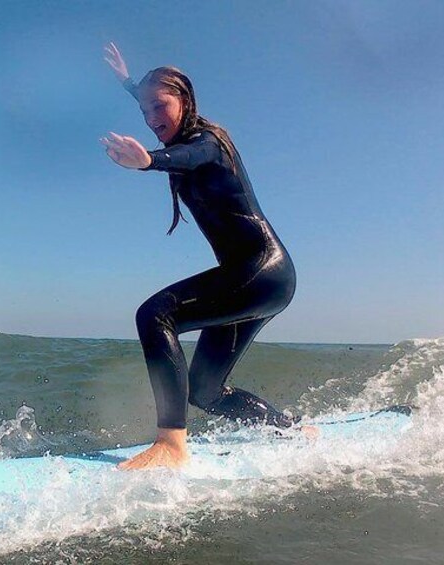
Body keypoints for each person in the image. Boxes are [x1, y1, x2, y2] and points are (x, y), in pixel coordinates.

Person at [102, 43, 310, 470]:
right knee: (206, 391)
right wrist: (128, 81)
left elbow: (188, 156)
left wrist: (148, 162)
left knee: (155, 315)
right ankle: (290, 431)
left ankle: (171, 445)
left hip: (263, 272)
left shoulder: (209, 141)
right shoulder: (175, 124)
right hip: (255, 278)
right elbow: (154, 102)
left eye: (160, 107)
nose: (151, 119)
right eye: (143, 113)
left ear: (187, 100)